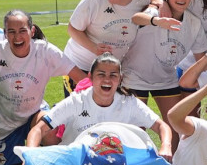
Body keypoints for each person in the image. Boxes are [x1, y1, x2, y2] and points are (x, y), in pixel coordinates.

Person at [0, 10, 75, 165]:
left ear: (32, 31)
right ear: (4, 32)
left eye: (22, 30)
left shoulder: (44, 51)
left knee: (52, 130)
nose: (17, 37)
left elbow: (80, 79)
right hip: (4, 126)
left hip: (35, 113)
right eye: (11, 31)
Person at [26, 53, 172, 156]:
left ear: (120, 79)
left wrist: (166, 146)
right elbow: (39, 129)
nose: (107, 80)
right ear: (90, 77)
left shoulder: (129, 103)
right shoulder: (77, 101)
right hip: (75, 164)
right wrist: (30, 154)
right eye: (101, 74)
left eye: (113, 75)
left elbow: (161, 126)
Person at [122, 0, 207, 133]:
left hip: (166, 79)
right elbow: (136, 18)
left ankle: (171, 159)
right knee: (135, 132)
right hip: (135, 77)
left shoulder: (194, 23)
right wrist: (156, 21)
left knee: (175, 130)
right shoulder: (156, 12)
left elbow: (201, 59)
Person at [62, 0, 155, 84]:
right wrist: (94, 48)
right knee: (83, 103)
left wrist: (160, 3)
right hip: (80, 65)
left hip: (112, 70)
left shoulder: (141, 1)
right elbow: (72, 29)